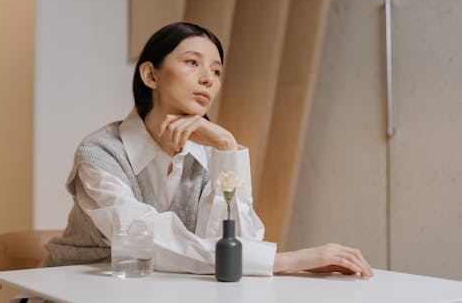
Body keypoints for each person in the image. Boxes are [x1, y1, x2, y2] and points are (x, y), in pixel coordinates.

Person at [44, 22, 373, 278]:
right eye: (192, 63)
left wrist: (228, 148)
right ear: (150, 74)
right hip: (76, 291)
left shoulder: (211, 154)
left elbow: (237, 241)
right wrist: (288, 260)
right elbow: (145, 241)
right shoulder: (99, 153)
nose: (208, 79)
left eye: (216, 71)